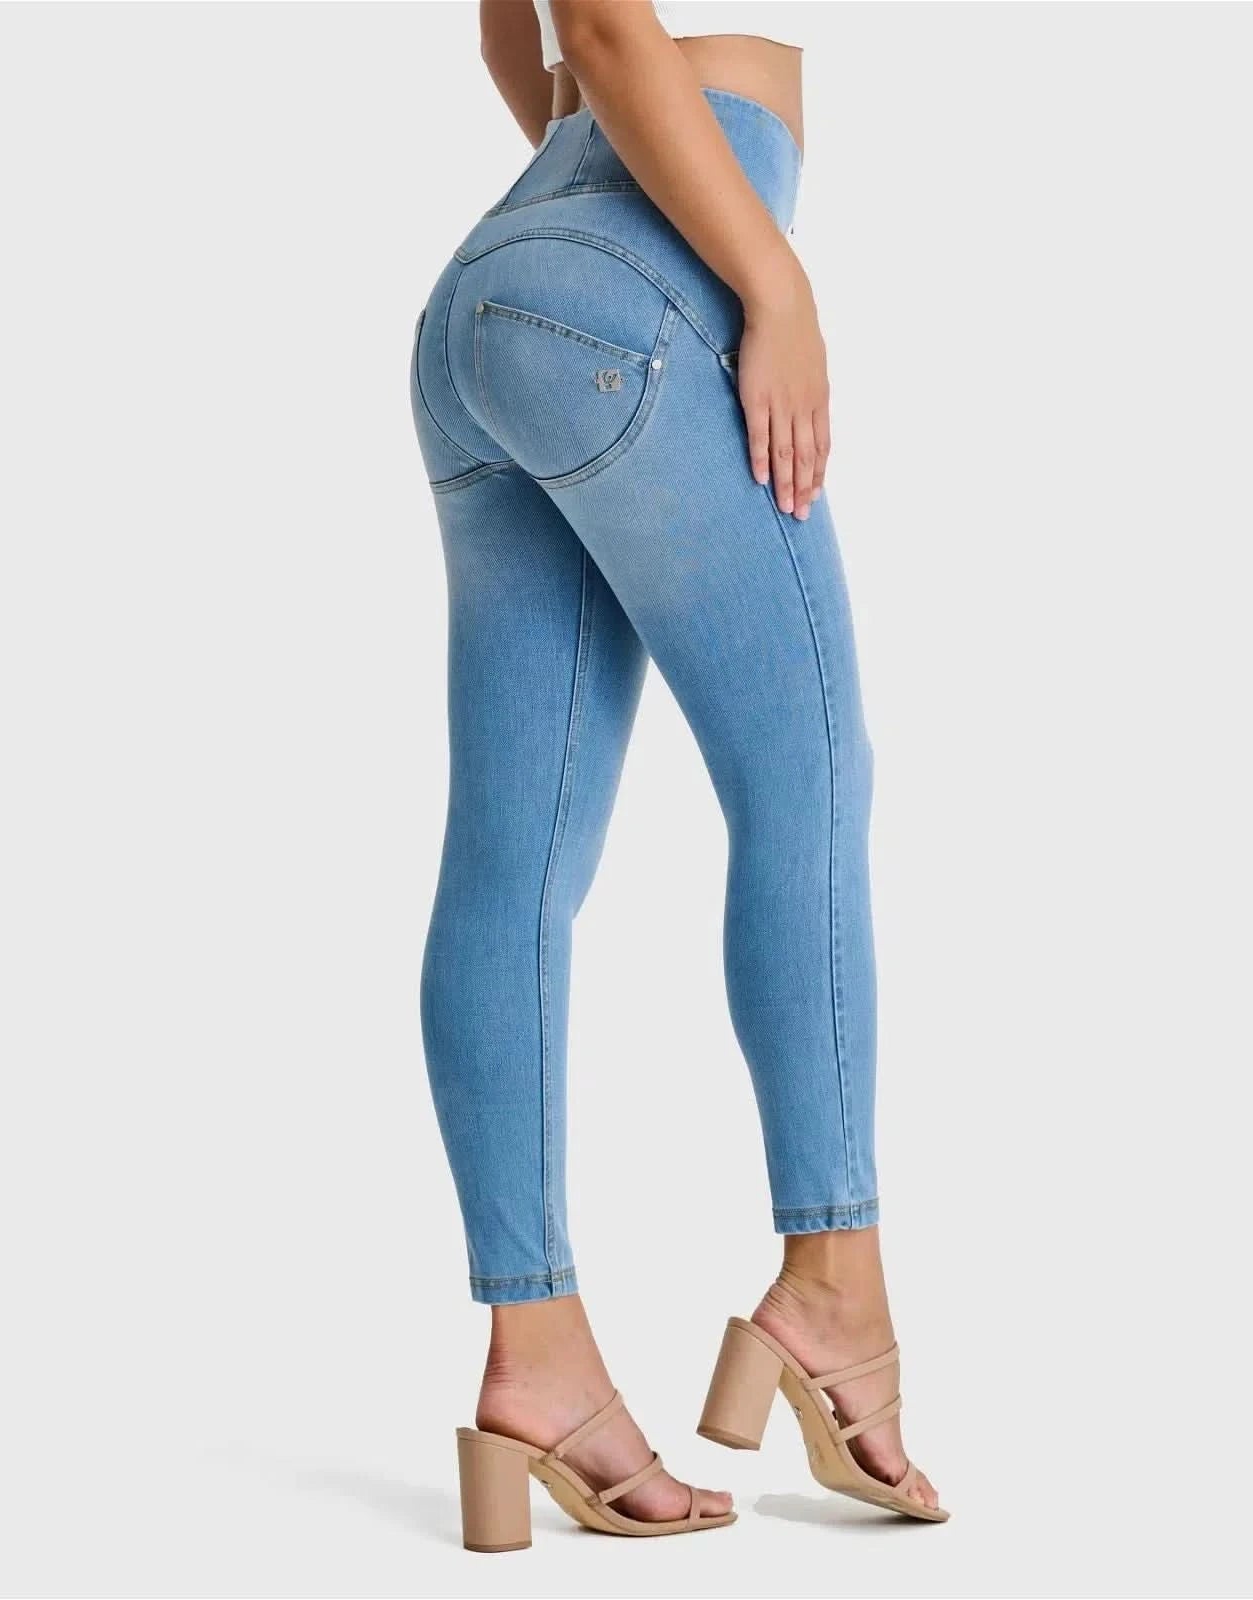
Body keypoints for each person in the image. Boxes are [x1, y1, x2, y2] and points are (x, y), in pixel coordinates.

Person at [408, 1, 946, 1550]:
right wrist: (772, 281)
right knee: (806, 780)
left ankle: (539, 1365)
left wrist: (597, 204)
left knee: (514, 864)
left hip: (496, 293)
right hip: (634, 284)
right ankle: (833, 1286)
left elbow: (511, 31)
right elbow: (594, 20)